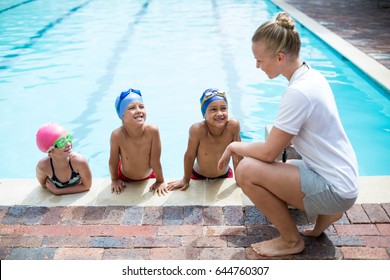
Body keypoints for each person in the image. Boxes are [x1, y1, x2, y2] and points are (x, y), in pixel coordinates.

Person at [217, 12, 358, 257]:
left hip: (335, 188)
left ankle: (291, 240)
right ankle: (326, 216)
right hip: (343, 178)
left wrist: (233, 147)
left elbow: (270, 153)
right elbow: (286, 139)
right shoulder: (311, 75)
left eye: (259, 60)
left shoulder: (298, 92)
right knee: (270, 165)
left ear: (280, 57)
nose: (257, 66)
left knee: (247, 171)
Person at [167, 88, 242, 191]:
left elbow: (238, 155)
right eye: (213, 109)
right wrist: (185, 179)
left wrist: (239, 178)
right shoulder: (197, 130)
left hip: (224, 174)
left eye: (223, 108)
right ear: (204, 114)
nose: (220, 113)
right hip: (198, 176)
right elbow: (189, 155)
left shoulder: (233, 126)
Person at [109, 88, 168, 196]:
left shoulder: (152, 131)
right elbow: (113, 160)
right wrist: (114, 179)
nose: (138, 110)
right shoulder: (117, 135)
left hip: (149, 175)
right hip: (124, 176)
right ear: (122, 116)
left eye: (141, 106)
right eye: (131, 108)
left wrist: (160, 181)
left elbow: (155, 160)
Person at [36, 122, 92, 195]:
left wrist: (58, 191)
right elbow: (44, 185)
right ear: (50, 151)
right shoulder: (43, 167)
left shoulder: (79, 162)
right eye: (61, 143)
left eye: (68, 138)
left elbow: (87, 186)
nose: (68, 144)